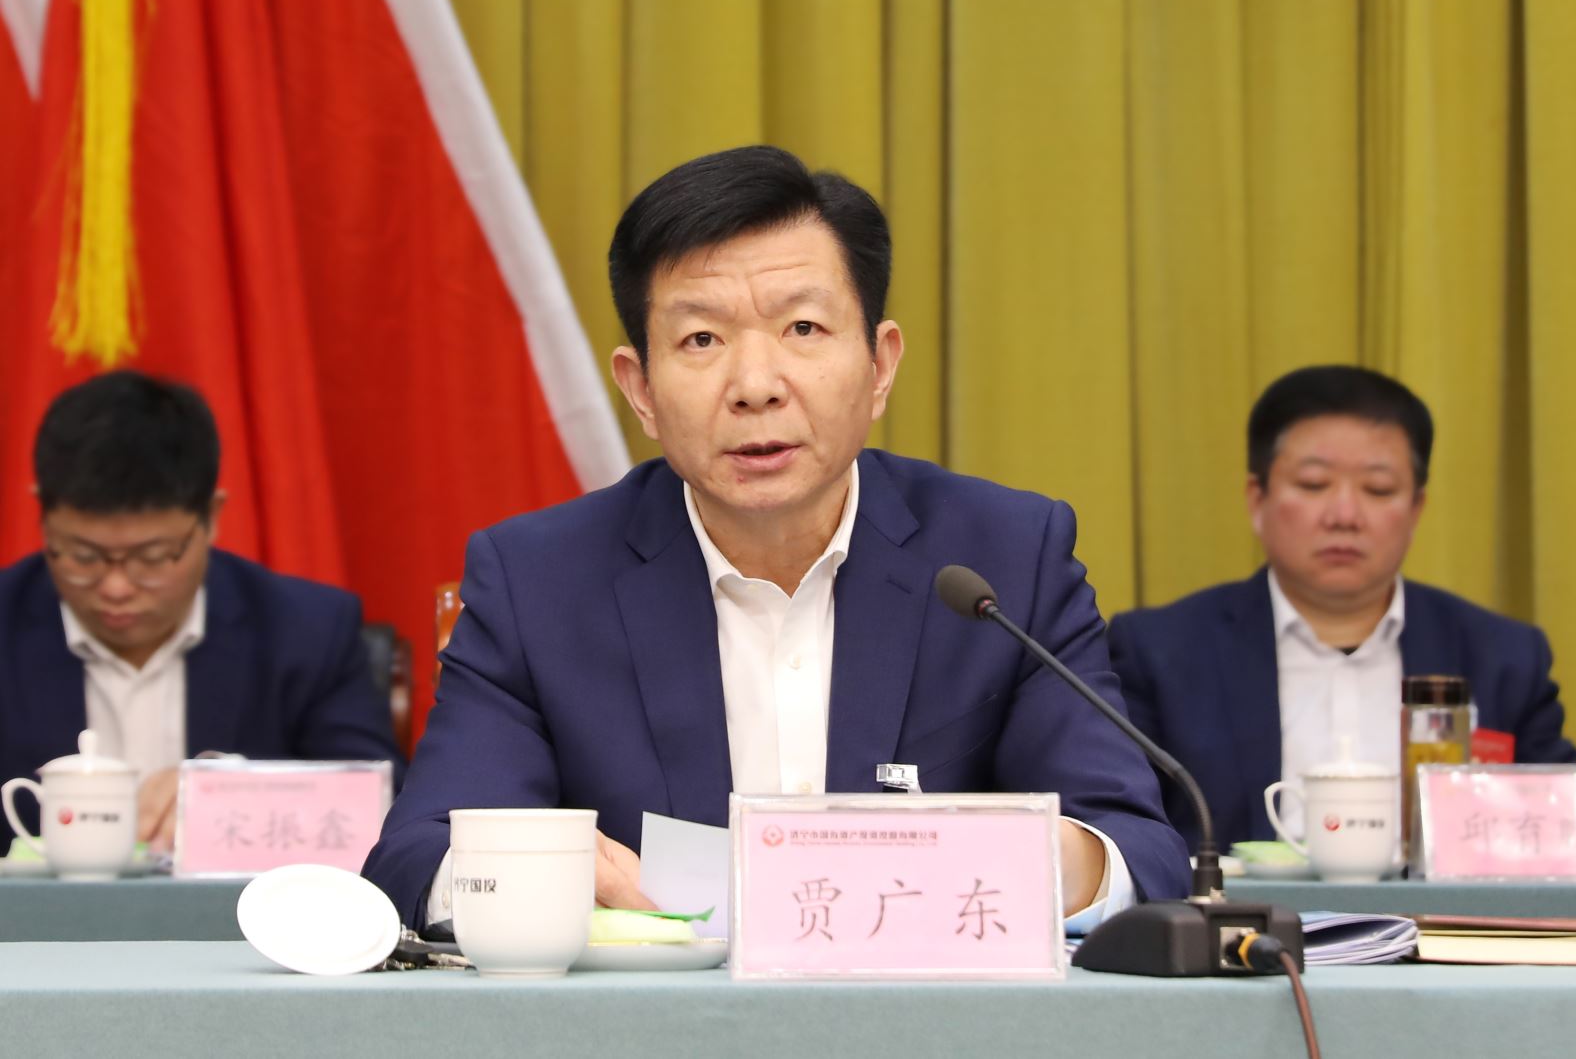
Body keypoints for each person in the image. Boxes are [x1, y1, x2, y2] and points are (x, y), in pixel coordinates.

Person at [362, 145, 1189, 932]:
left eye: (803, 329)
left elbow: (1139, 851)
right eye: (702, 339)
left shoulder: (1004, 560)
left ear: (880, 365)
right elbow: (414, 860)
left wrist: (1009, 858)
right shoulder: (538, 581)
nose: (756, 385)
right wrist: (543, 869)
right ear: (640, 390)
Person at [1109, 365, 1576, 852]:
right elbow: (1122, 828)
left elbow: (1562, 837)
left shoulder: (1503, 658)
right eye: (1314, 484)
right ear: (1257, 499)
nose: (1344, 516)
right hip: (1237, 904)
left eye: (1378, 490)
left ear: (1416, 509)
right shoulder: (1161, 653)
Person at [0, 371, 404, 847]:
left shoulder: (308, 631)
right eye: (82, 556)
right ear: (42, 516)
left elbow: (381, 807)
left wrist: (228, 792)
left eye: (153, 557)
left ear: (211, 517)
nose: (115, 587)